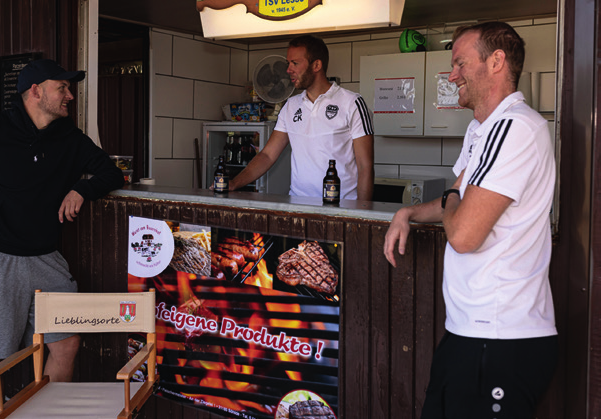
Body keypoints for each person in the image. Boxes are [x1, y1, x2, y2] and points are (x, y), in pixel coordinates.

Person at [0, 59, 124, 417]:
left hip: (46, 259)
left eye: (69, 88)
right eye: (61, 88)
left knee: (66, 345)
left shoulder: (69, 137)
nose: (69, 95)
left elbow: (112, 173)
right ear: (35, 92)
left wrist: (83, 188)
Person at [383, 22, 557, 418]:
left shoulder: (515, 127)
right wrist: (408, 212)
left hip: (500, 338)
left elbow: (462, 233)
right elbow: (454, 197)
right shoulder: (483, 130)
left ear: (496, 62)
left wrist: (452, 199)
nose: (452, 75)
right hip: (470, 334)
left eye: (460, 63)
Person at [229, 35, 374, 200]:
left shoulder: (352, 103)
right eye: (288, 63)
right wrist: (234, 183)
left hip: (342, 209)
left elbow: (365, 166)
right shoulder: (290, 106)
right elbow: (267, 155)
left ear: (316, 65)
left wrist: (362, 215)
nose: (288, 70)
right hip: (299, 207)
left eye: (295, 63)